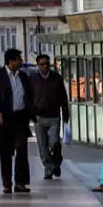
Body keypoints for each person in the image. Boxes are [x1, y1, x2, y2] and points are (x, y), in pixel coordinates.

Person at [0, 48, 33, 194]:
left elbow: (29, 95)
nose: (21, 61)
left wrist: (31, 111)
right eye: (19, 59)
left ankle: (20, 182)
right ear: (11, 61)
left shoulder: (23, 76)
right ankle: (7, 183)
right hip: (5, 119)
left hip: (20, 118)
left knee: (22, 149)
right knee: (5, 152)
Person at [29, 53, 70, 181]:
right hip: (39, 117)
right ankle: (48, 168)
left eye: (47, 64)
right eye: (42, 64)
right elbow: (29, 97)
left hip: (54, 117)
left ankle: (56, 161)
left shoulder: (56, 78)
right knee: (42, 145)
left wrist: (65, 113)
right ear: (38, 65)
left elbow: (63, 97)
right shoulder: (33, 79)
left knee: (55, 143)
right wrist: (31, 113)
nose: (45, 66)